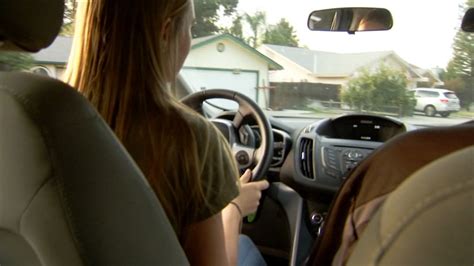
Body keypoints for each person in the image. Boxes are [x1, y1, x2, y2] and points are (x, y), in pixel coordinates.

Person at [65, 0, 269, 265]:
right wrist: (234, 210)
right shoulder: (190, 139)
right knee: (245, 248)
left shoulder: (36, 118)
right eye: (190, 29)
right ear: (165, 32)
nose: (189, 40)